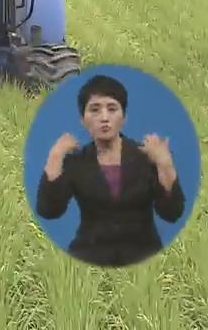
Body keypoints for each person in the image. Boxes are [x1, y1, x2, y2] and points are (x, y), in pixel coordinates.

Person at [35, 74, 186, 267]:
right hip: (89, 257)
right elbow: (49, 211)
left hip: (143, 257)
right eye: (94, 110)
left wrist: (164, 163)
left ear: (124, 117)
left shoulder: (145, 158)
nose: (104, 118)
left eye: (112, 109)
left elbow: (172, 213)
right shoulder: (76, 163)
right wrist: (55, 156)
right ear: (83, 119)